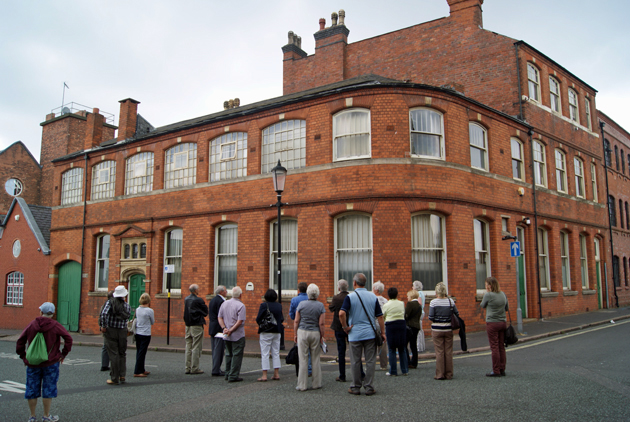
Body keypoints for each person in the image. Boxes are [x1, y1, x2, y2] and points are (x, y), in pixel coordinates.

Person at [16, 302, 73, 422]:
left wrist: (23, 356)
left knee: (31, 388)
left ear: (41, 312)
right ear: (52, 313)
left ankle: (32, 416)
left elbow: (20, 341)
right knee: (49, 388)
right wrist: (63, 354)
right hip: (51, 362)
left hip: (33, 363)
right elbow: (68, 338)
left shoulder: (32, 324)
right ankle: (46, 416)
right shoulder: (55, 325)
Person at [339, 273, 386, 396]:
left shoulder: (350, 297)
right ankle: (369, 387)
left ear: (354, 283)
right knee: (370, 361)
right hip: (370, 334)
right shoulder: (373, 297)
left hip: (354, 334)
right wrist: (383, 332)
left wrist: (345, 327)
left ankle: (355, 387)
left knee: (355, 361)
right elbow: (380, 317)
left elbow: (341, 313)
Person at [293, 283, 325, 391]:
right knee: (315, 358)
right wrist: (322, 336)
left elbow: (296, 320)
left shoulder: (301, 304)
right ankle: (317, 383)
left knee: (303, 358)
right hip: (315, 332)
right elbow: (321, 323)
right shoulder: (320, 305)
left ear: (307, 293)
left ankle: (302, 385)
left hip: (302, 332)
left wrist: (295, 334)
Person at [100, 285, 131, 385]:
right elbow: (127, 317)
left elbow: (104, 314)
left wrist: (103, 325)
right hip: (122, 331)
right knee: (122, 353)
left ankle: (114, 378)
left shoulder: (109, 303)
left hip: (111, 330)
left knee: (114, 354)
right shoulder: (127, 306)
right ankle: (122, 375)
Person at [428, 282, 458, 380]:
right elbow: (456, 313)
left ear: (436, 292)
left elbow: (431, 317)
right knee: (448, 351)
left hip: (437, 329)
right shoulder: (451, 301)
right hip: (448, 329)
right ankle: (449, 374)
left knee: (439, 352)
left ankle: (440, 374)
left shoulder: (433, 302)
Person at [480, 276, 509, 377]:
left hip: (492, 323)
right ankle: (502, 369)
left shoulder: (488, 295)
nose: (485, 286)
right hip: (502, 322)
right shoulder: (503, 294)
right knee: (501, 347)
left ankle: (496, 370)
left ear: (490, 285)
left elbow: (482, 305)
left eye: (486, 284)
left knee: (494, 347)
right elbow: (507, 308)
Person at [218, 285, 246, 382]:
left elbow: (220, 317)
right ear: (240, 295)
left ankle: (227, 373)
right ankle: (233, 375)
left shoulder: (224, 303)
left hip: (226, 334)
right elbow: (240, 321)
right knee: (237, 355)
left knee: (228, 354)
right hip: (237, 334)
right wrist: (231, 330)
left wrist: (224, 328)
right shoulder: (241, 306)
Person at [256, 289, 284, 381]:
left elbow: (258, 318)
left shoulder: (264, 305)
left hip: (266, 331)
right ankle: (276, 373)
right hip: (277, 331)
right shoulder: (279, 305)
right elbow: (281, 318)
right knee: (276, 352)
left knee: (265, 353)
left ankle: (264, 375)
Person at [382, 287, 408, 376]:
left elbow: (383, 316)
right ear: (397, 294)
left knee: (392, 349)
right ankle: (404, 370)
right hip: (401, 325)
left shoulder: (386, 305)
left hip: (390, 326)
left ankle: (393, 371)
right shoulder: (401, 303)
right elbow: (403, 313)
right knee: (402, 348)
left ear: (388, 295)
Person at [183, 283, 208, 375]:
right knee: (196, 346)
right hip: (196, 324)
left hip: (188, 324)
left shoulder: (186, 299)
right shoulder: (198, 300)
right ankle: (195, 368)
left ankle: (187, 367)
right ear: (196, 290)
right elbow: (205, 312)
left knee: (188, 346)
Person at [329, 279, 350, 381]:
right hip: (350, 327)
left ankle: (342, 375)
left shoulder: (336, 298)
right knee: (355, 351)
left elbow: (331, 308)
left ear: (338, 288)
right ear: (348, 286)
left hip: (338, 326)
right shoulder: (351, 297)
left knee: (341, 352)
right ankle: (361, 374)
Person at [289, 281, 311, 376]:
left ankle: (302, 370)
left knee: (301, 349)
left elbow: (291, 314)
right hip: (310, 326)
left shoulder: (294, 300)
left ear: (298, 290)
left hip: (299, 327)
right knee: (310, 349)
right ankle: (309, 369)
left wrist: (295, 319)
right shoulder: (310, 299)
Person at [208, 285, 227, 377]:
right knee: (219, 350)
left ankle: (216, 368)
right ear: (221, 292)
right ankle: (216, 370)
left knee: (214, 349)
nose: (227, 292)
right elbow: (222, 315)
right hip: (219, 328)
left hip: (212, 327)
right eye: (225, 290)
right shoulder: (221, 301)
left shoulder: (212, 300)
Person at [133, 293, 154, 377]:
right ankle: (137, 371)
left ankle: (142, 369)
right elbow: (152, 322)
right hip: (146, 333)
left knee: (139, 351)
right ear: (148, 300)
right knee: (142, 352)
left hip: (138, 332)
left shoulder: (137, 309)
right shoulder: (149, 311)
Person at [372, 281, 389, 371]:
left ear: (376, 290)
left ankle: (371, 365)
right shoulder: (385, 300)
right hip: (383, 324)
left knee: (371, 345)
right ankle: (384, 365)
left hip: (374, 324)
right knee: (382, 345)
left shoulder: (372, 299)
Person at [405, 289, 422, 369]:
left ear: (411, 296)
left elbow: (406, 315)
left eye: (408, 296)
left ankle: (407, 362)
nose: (407, 297)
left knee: (404, 345)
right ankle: (414, 363)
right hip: (416, 326)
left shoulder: (410, 304)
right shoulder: (419, 305)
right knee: (413, 345)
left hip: (409, 327)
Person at [99, 290, 114, 372]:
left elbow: (101, 315)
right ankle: (108, 365)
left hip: (105, 327)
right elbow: (103, 315)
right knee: (111, 346)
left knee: (106, 346)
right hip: (109, 328)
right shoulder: (110, 304)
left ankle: (104, 365)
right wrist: (103, 326)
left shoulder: (104, 304)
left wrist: (102, 326)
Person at [412, 280, 426, 352]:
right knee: (421, 330)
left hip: (419, 313)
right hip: (422, 312)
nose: (412, 287)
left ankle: (419, 347)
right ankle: (422, 346)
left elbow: (419, 303)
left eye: (413, 286)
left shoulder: (418, 293)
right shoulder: (421, 293)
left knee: (418, 331)